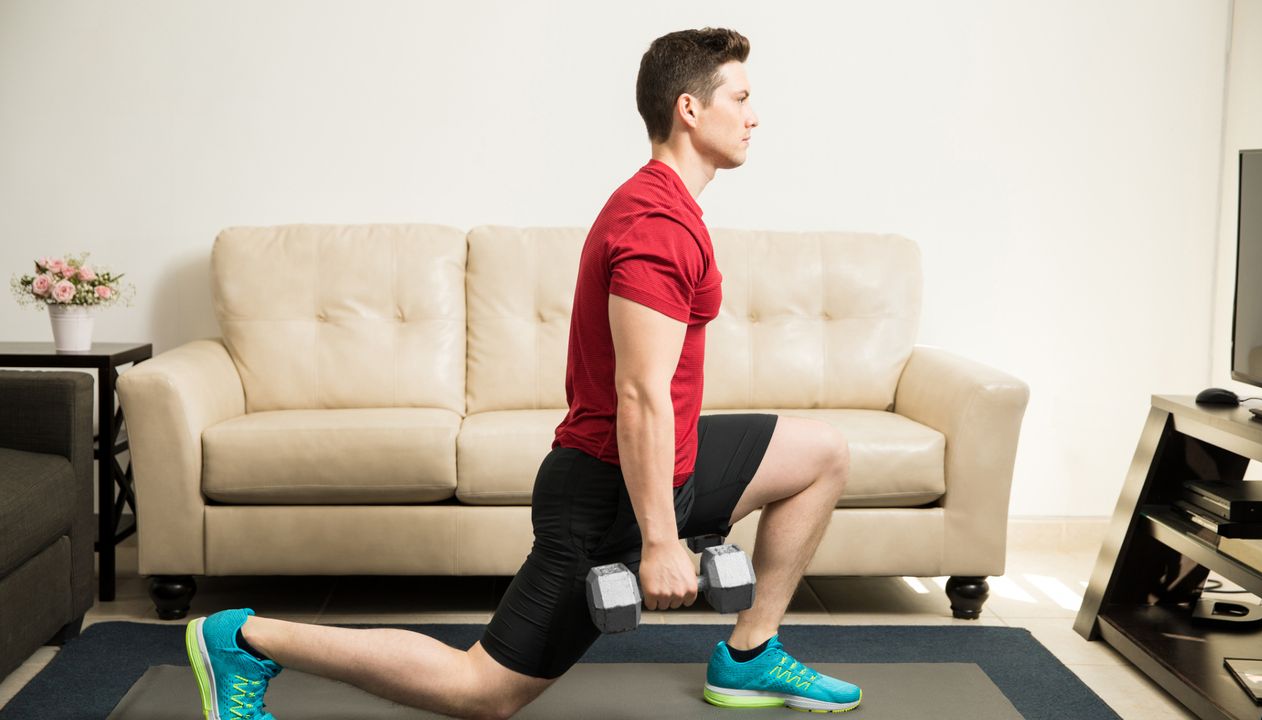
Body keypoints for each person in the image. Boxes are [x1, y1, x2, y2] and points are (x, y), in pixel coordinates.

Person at [184, 27, 861, 720]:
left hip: (672, 466)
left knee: (820, 453)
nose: (754, 115)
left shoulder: (671, 206)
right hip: (605, 495)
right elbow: (639, 393)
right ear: (689, 109)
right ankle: (240, 638)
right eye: (741, 98)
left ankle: (749, 656)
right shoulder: (657, 223)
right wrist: (660, 540)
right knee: (482, 691)